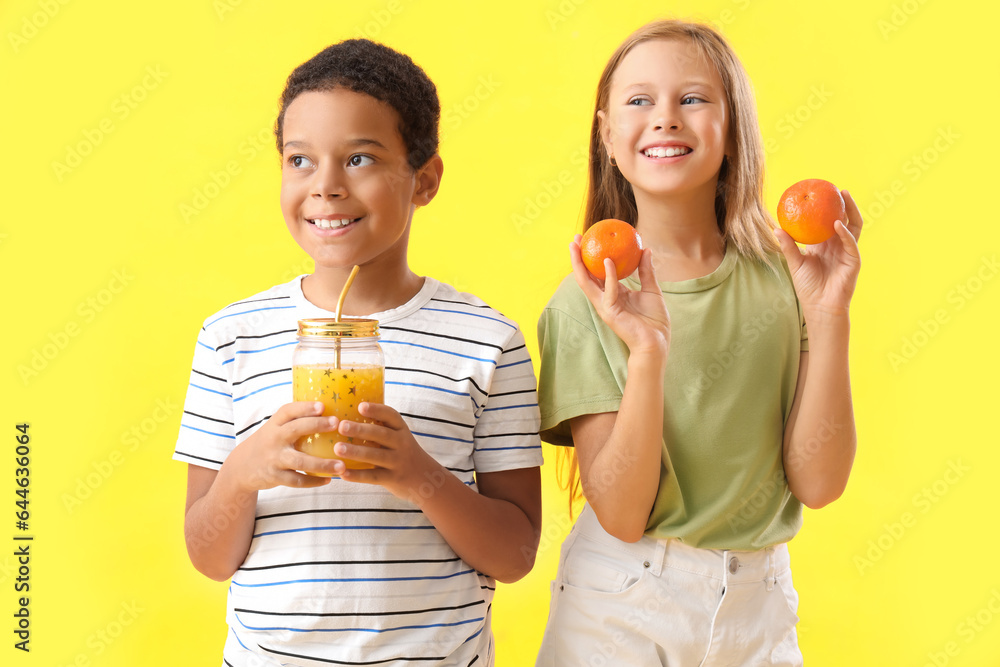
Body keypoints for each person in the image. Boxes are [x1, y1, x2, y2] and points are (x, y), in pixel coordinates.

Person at [174, 39, 542, 667]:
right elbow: (209, 556)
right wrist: (243, 474)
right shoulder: (231, 336)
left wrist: (419, 475)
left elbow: (515, 556)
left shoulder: (487, 341)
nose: (326, 187)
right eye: (300, 160)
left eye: (360, 158)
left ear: (423, 180)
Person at [535, 19, 861, 666]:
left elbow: (819, 482)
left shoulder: (787, 276)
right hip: (621, 601)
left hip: (758, 604)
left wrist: (829, 317)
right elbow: (624, 514)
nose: (665, 119)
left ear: (733, 128)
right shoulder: (582, 304)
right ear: (606, 133)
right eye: (638, 101)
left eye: (692, 98)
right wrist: (648, 353)